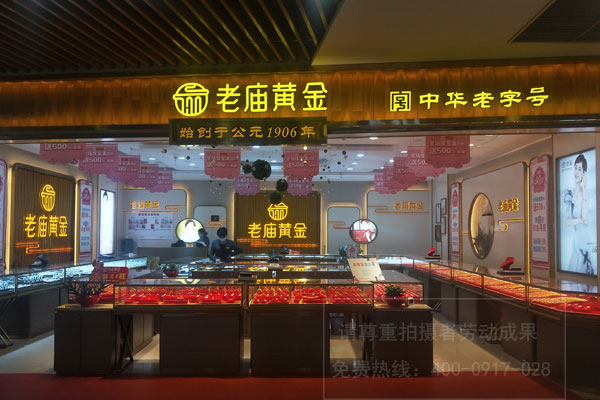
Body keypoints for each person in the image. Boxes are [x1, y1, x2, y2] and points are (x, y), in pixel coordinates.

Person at [565, 154, 593, 274]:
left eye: (580, 169)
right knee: (572, 270)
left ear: (584, 173)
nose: (576, 171)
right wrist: (580, 220)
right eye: (575, 168)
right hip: (575, 239)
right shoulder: (569, 193)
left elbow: (585, 218)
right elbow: (567, 222)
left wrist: (585, 188)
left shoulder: (586, 193)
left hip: (584, 239)